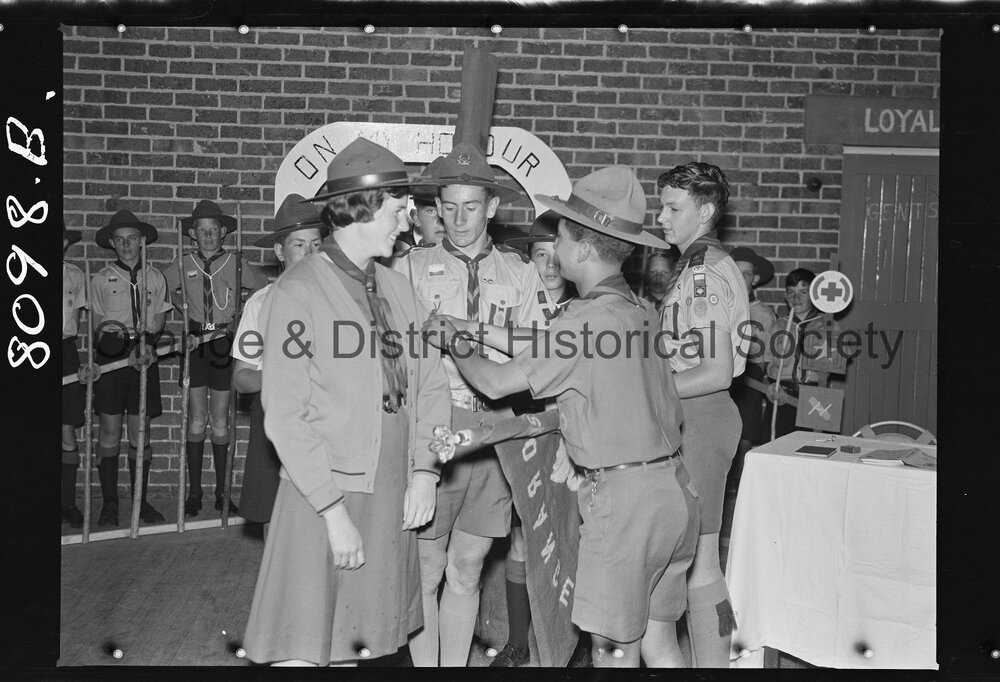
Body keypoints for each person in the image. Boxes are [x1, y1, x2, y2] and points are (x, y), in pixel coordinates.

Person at [425, 166, 699, 668]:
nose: (556, 239)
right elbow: (548, 343)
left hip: (623, 507)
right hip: (673, 494)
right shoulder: (635, 310)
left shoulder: (582, 320)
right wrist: (471, 324)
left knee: (612, 650)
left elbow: (492, 382)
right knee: (660, 643)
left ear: (582, 249)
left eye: (564, 231)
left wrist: (456, 340)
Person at [242, 138, 451, 667]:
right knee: (304, 644)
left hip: (389, 489)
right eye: (400, 210)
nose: (407, 224)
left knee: (359, 642)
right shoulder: (296, 293)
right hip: (324, 494)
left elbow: (429, 385)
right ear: (366, 206)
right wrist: (333, 513)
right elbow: (285, 417)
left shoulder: (399, 289)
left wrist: (425, 470)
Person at [392, 141, 548, 667]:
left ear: (492, 207)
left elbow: (538, 351)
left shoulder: (520, 273)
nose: (458, 219)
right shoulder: (408, 270)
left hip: (496, 429)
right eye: (448, 206)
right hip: (437, 427)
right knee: (428, 567)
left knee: (468, 566)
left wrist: (471, 331)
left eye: (471, 206)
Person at [656, 162, 750, 667]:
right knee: (694, 559)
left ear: (706, 211)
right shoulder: (694, 267)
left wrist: (651, 394)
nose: (663, 217)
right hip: (691, 414)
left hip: (700, 414)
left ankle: (718, 663)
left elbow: (715, 372)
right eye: (663, 205)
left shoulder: (704, 276)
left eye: (674, 208)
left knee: (701, 562)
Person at [478, 208, 578, 667]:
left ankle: (577, 643)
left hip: (576, 432)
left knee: (577, 539)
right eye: (541, 255)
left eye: (558, 254)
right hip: (528, 430)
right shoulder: (516, 307)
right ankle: (518, 641)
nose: (551, 265)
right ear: (529, 261)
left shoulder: (585, 308)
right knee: (525, 537)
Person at [163, 199, 268, 518]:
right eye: (201, 231)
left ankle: (223, 493)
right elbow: (164, 289)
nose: (208, 236)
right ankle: (195, 493)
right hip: (195, 341)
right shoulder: (183, 264)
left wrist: (241, 314)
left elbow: (262, 289)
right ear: (193, 234)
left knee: (221, 420)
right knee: (196, 419)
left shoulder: (236, 263)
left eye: (213, 230)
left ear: (223, 232)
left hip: (223, 342)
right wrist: (183, 310)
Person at [231, 194, 327, 532]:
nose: (310, 254)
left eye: (316, 244)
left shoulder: (344, 300)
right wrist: (283, 376)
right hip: (278, 418)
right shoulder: (261, 304)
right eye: (299, 245)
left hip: (329, 417)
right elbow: (242, 377)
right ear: (279, 252)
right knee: (281, 520)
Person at [89, 209, 173, 526]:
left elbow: (159, 322)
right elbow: (97, 327)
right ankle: (110, 504)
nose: (126, 244)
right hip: (111, 355)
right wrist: (109, 350)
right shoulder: (100, 279)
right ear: (112, 243)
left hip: (144, 356)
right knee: (110, 431)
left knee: (141, 430)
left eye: (132, 238)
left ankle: (141, 499)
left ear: (141, 241)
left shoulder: (154, 277)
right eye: (120, 239)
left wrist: (148, 346)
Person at [762, 267, 840, 440]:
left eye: (803, 292)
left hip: (815, 396)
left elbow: (836, 363)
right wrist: (767, 385)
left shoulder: (828, 326)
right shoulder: (777, 327)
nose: (796, 298)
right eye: (791, 292)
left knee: (813, 449)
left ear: (814, 294)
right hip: (782, 395)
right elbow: (766, 363)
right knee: (777, 448)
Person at [727, 246, 776, 488]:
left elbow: (765, 361)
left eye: (745, 274)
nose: (740, 278)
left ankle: (741, 486)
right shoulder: (720, 306)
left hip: (749, 379)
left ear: (755, 278)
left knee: (745, 435)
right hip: (720, 375)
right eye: (734, 272)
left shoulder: (764, 314)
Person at [62, 225, 98, 527]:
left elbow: (86, 322)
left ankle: (67, 503)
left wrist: (84, 362)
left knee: (67, 430)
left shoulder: (74, 275)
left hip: (64, 351)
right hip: (26, 348)